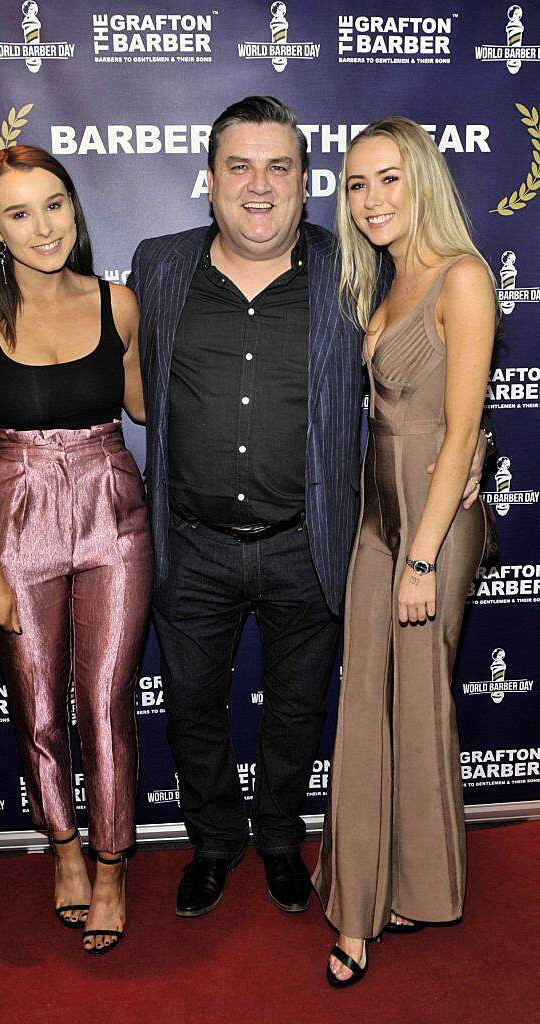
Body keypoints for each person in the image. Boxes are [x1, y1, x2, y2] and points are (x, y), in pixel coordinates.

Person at [126, 97, 487, 919]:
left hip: (312, 540)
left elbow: (424, 374)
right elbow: (132, 395)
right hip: (193, 540)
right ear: (208, 179)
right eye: (240, 167)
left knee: (298, 708)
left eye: (279, 167)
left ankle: (282, 840)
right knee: (190, 708)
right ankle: (214, 842)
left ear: (302, 180)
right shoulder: (158, 266)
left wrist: (475, 450)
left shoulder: (351, 268)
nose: (259, 187)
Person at [0, 145, 152, 956]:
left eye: (54, 204)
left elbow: (141, 402)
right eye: (19, 213)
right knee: (36, 707)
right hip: (16, 510)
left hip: (111, 508)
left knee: (104, 701)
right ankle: (61, 846)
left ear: (75, 208)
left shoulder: (119, 304)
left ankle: (110, 862)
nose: (42, 226)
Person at [311, 116, 495, 987]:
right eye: (355, 184)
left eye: (388, 179)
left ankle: (388, 903)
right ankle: (368, 884)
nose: (372, 199)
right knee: (366, 708)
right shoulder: (378, 283)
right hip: (374, 512)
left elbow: (460, 427)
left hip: (428, 524)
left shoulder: (461, 278)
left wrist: (422, 558)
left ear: (420, 180)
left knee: (416, 708)